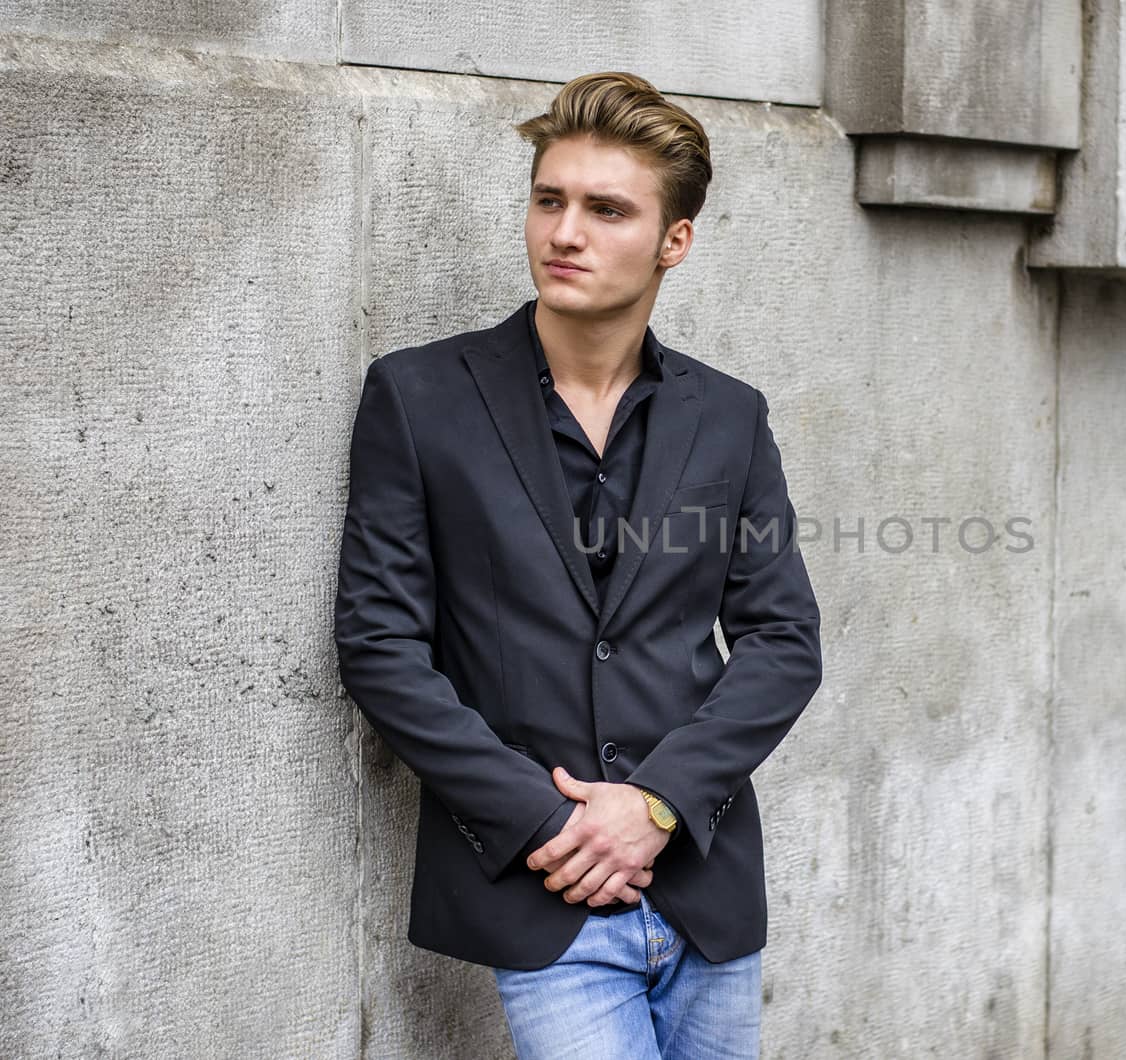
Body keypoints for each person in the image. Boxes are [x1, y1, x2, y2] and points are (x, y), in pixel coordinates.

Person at [332, 71, 824, 1058]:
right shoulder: (421, 397)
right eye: (549, 199)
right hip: (540, 885)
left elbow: (783, 640)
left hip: (703, 883)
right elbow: (381, 645)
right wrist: (550, 822)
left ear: (672, 241)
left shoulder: (729, 417)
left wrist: (655, 803)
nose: (565, 232)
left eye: (606, 209)